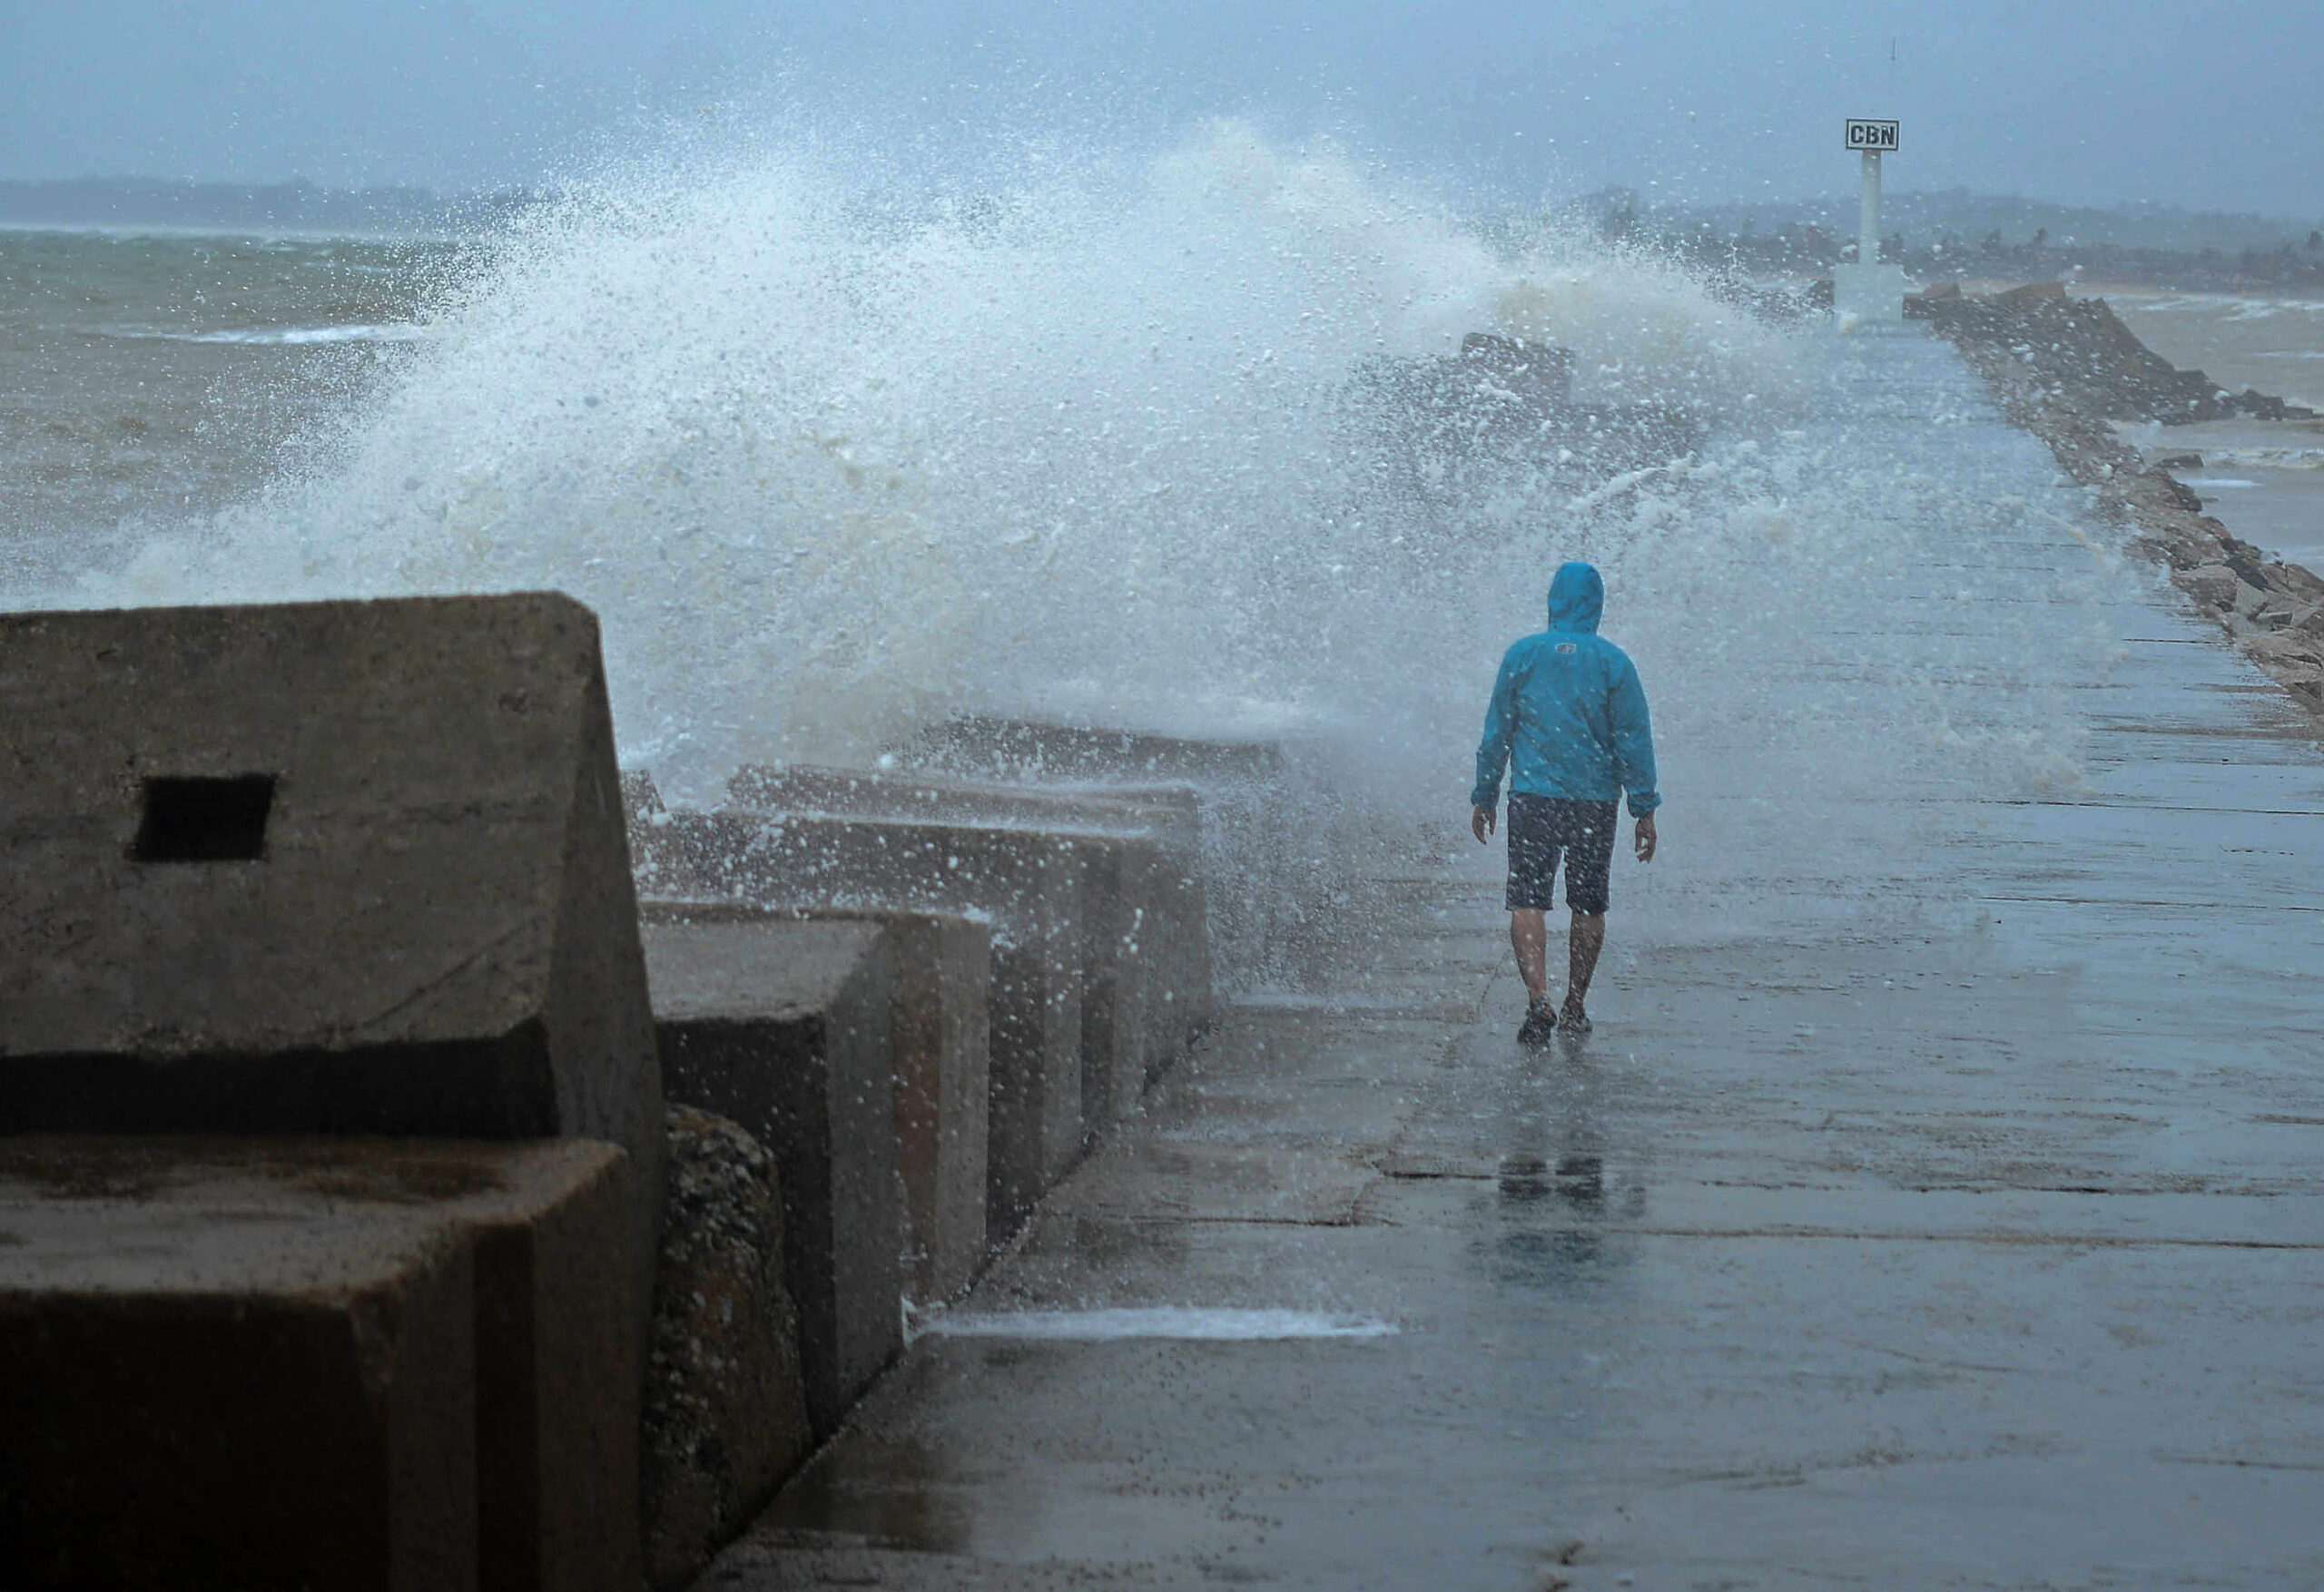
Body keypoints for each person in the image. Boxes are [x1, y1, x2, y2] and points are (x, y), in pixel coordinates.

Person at [1470, 561, 1659, 1045]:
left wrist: (1485, 794)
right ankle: (1575, 1004)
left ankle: (1538, 1000)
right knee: (1588, 905)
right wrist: (1644, 808)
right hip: (1593, 803)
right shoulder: (1612, 661)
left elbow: (1498, 732)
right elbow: (1634, 738)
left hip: (1533, 798)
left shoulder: (1523, 655)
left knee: (1527, 901)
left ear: (1553, 600)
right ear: (1596, 604)